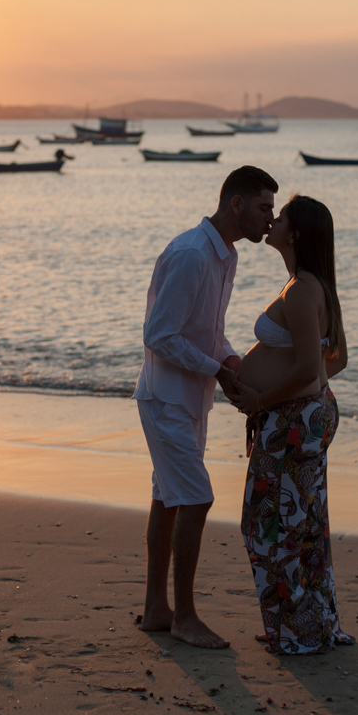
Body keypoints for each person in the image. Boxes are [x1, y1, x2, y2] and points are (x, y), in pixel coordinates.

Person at [134, 165, 278, 649]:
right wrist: (216, 370)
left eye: (272, 210)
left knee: (170, 496)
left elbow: (205, 331)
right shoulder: (193, 254)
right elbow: (158, 335)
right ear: (235, 204)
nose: (270, 219)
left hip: (188, 399)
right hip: (167, 398)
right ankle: (185, 617)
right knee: (195, 498)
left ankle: (158, 608)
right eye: (263, 208)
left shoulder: (225, 255)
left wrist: (229, 358)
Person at [229, 194, 354, 654]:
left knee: (267, 525)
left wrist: (265, 398)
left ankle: (298, 631)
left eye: (280, 216)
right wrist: (307, 392)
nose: (273, 219)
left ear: (295, 233)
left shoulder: (302, 290)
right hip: (305, 415)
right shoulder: (310, 284)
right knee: (304, 525)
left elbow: (309, 368)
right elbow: (333, 361)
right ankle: (312, 624)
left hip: (292, 420)